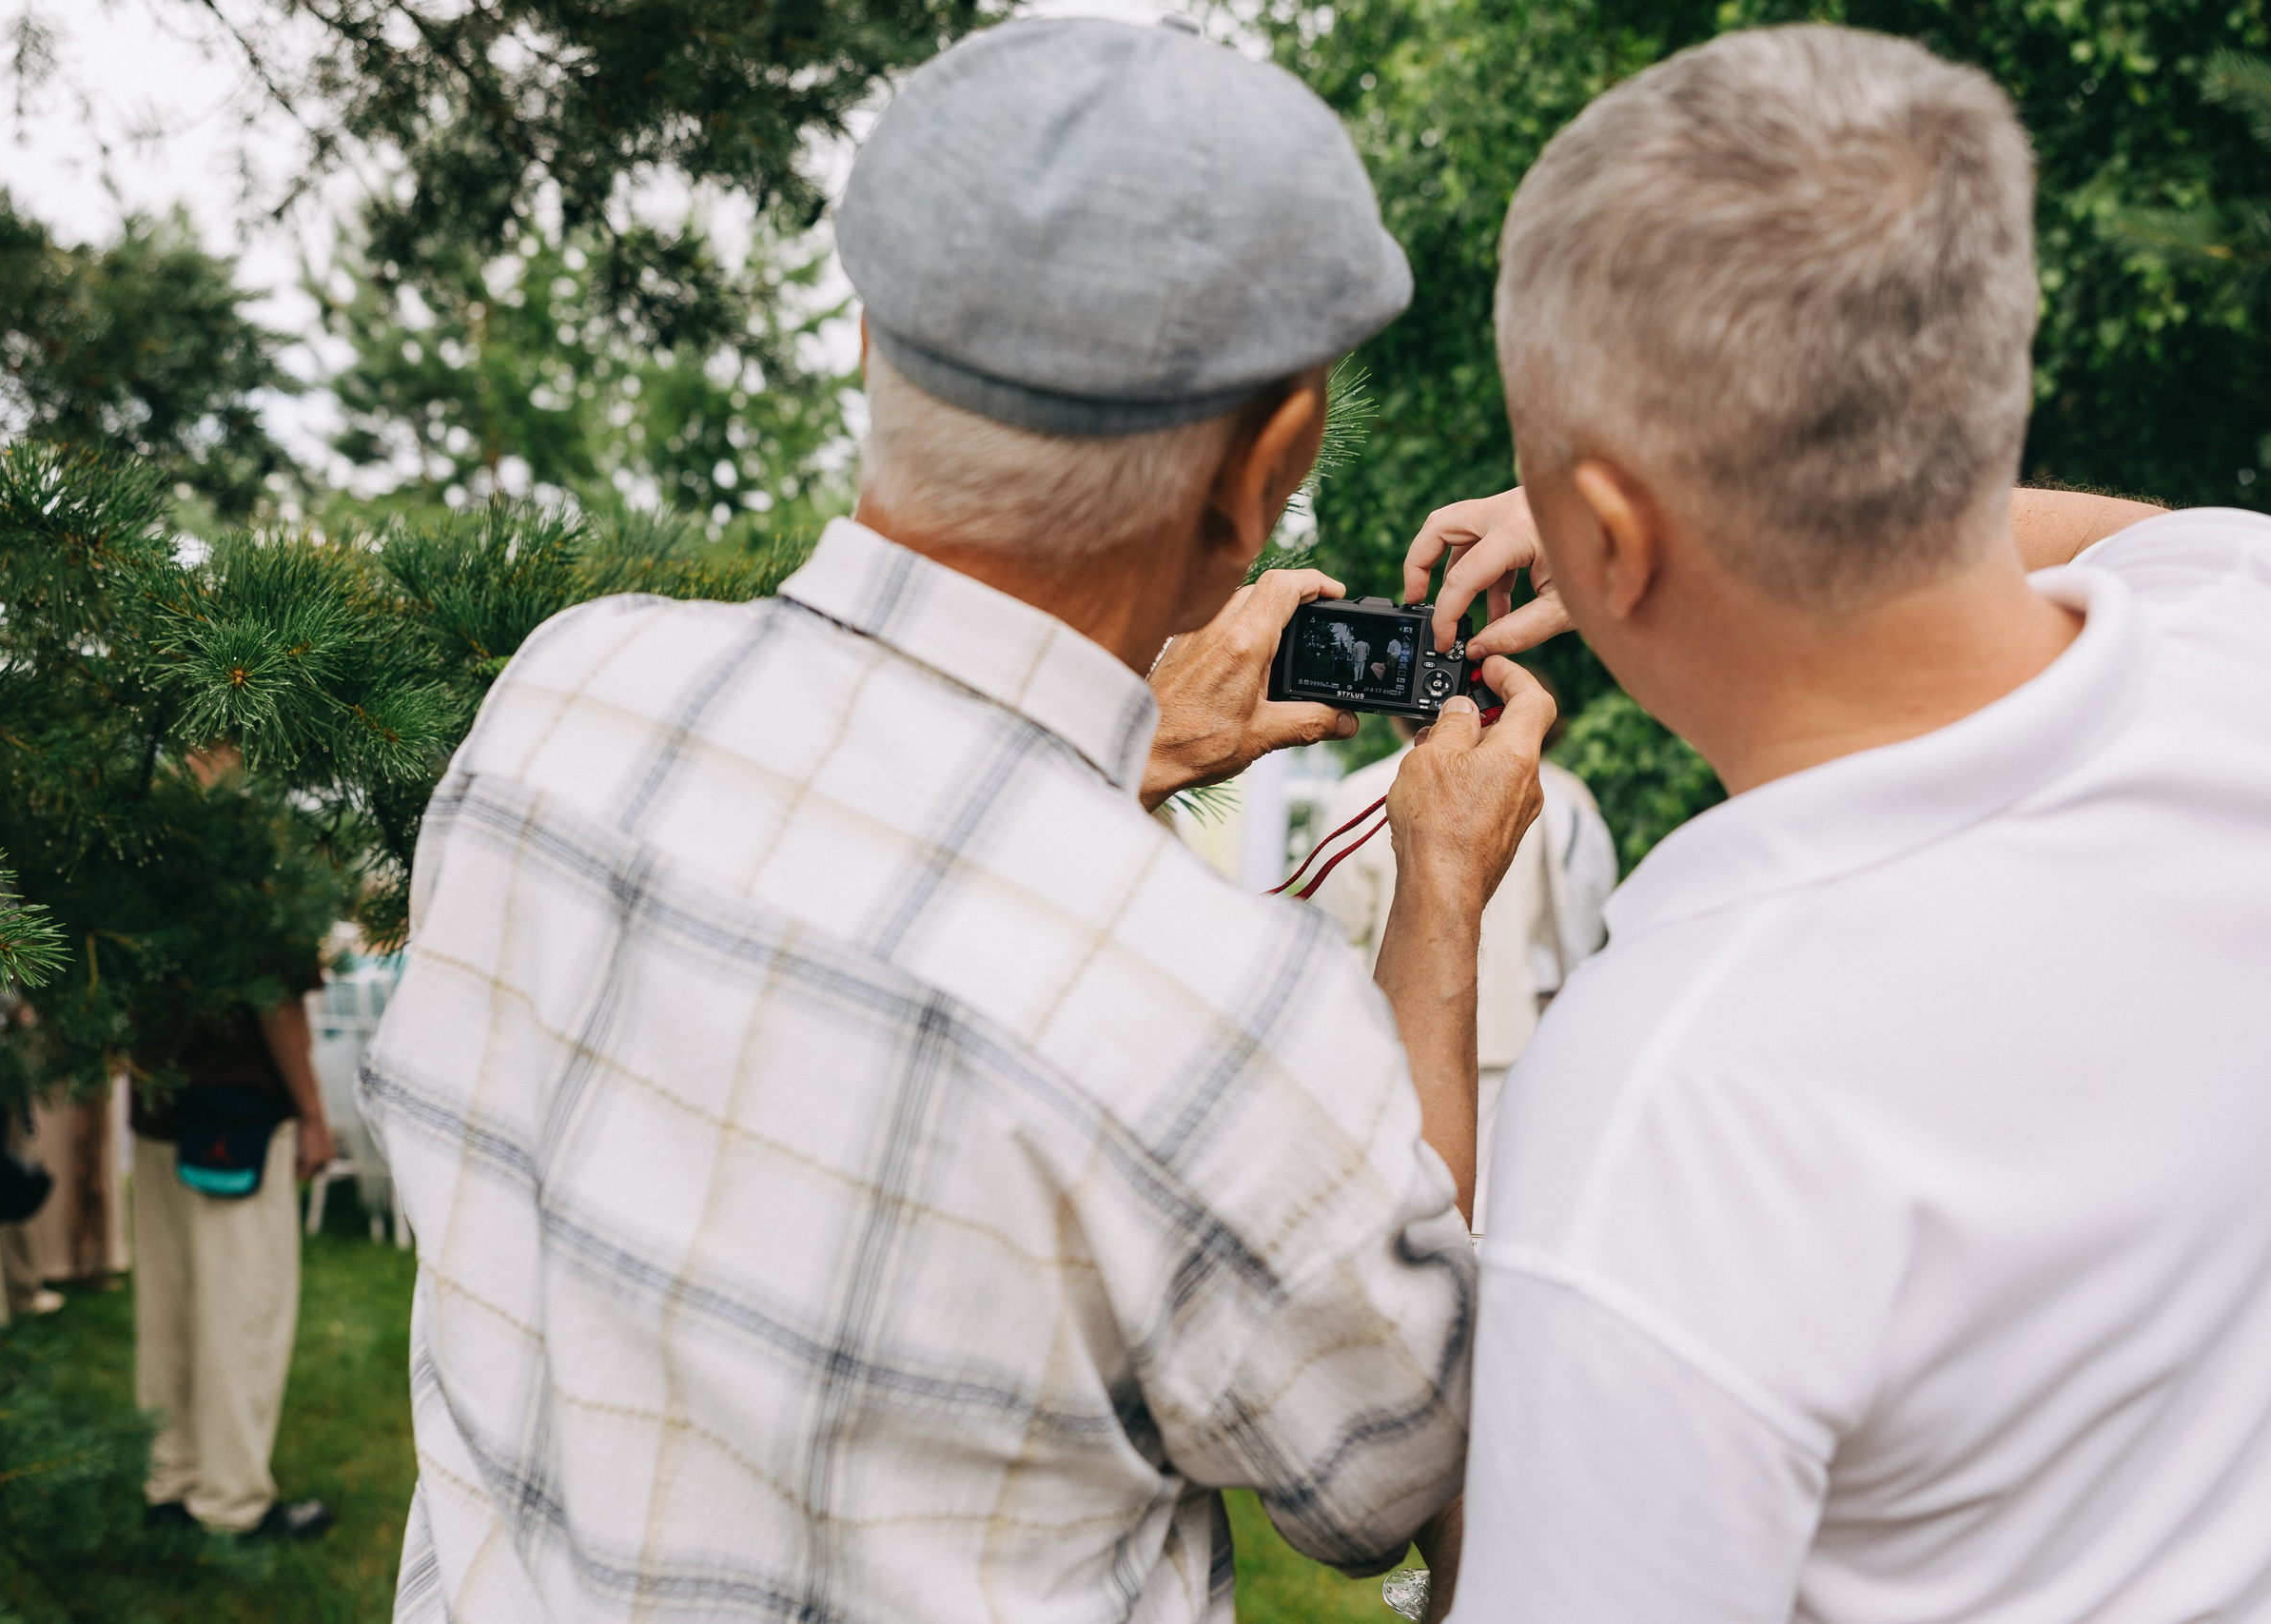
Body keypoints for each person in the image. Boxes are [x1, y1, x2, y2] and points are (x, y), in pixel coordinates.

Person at [361, 17, 1549, 1622]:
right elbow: (1385, 1465)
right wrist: (1444, 900)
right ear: (1263, 462)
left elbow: (851, 928)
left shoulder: (566, 697)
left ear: (869, 339)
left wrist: (1114, 762)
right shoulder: (1209, 1002)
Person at [1400, 26, 2271, 1622]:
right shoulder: (2243, 649)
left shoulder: (1681, 1097)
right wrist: (1697, 508)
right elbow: (2180, 547)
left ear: (1604, 532)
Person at [128, 751, 339, 1540]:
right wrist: (314, 1112)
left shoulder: (137, 838)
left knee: (171, 1311)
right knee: (239, 1313)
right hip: (239, 1116)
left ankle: (171, 1482)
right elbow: (276, 999)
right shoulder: (249, 845)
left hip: (158, 1107)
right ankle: (231, 1500)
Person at [1311, 700, 1615, 1229]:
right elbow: (1556, 919)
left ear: (1397, 713)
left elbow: (1333, 927)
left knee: (1398, 1203)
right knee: (1486, 1213)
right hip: (1504, 1026)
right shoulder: (1529, 795)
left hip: (1396, 1030)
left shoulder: (1361, 792)